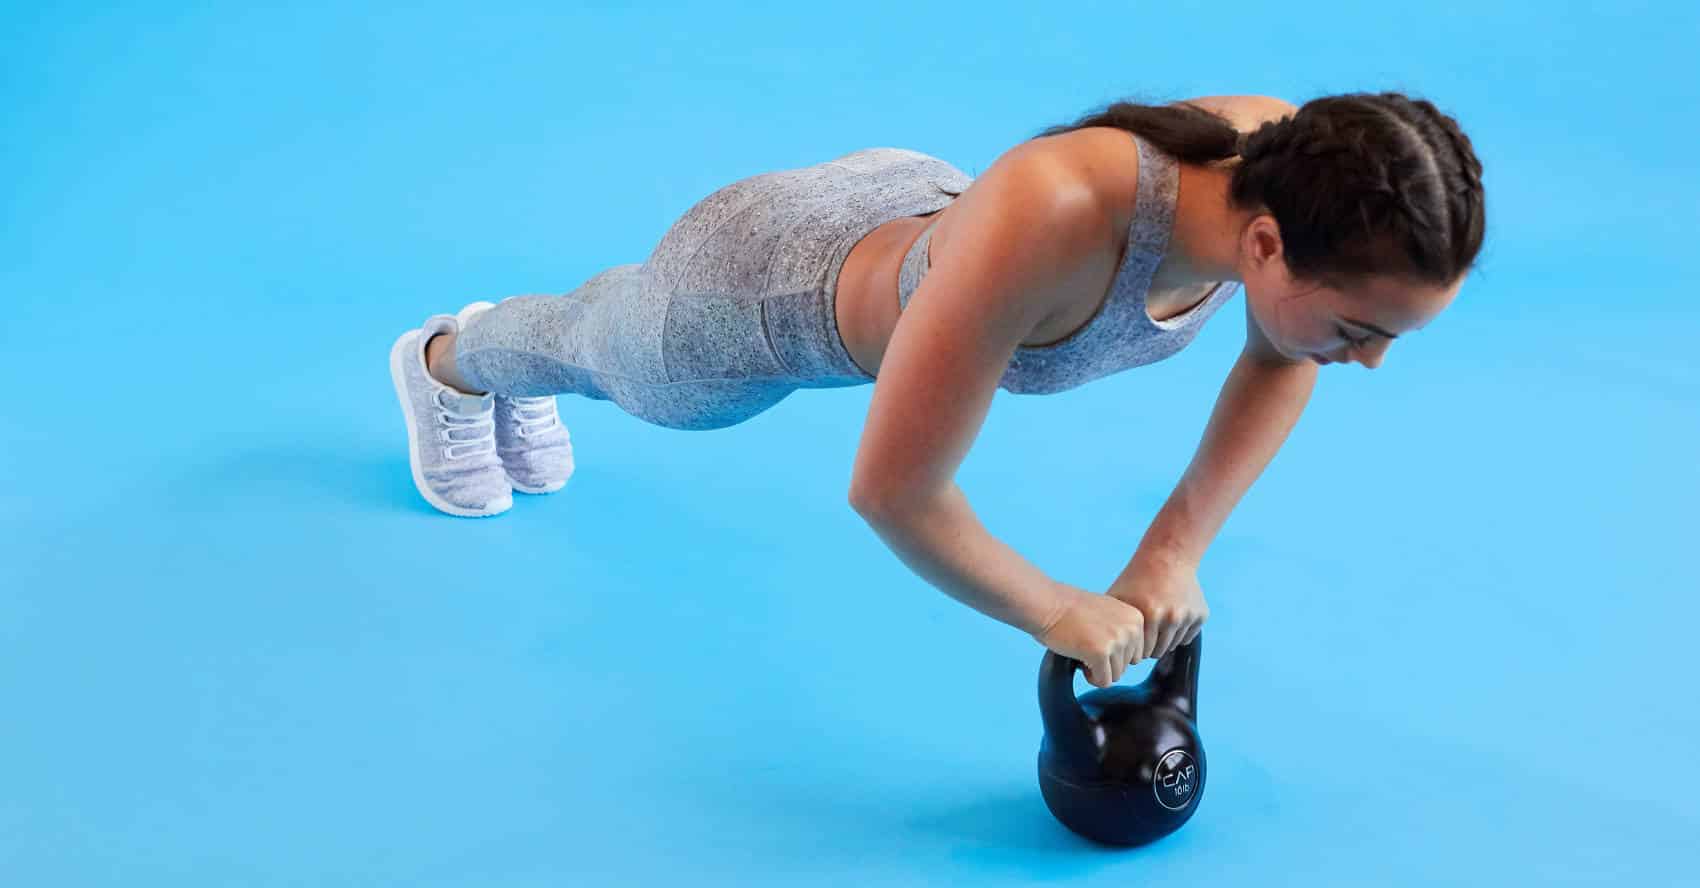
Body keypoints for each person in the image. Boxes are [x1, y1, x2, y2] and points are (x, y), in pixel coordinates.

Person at [388, 91, 1485, 689]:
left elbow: (1281, 355)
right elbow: (893, 493)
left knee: (609, 343)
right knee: (606, 357)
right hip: (757, 296)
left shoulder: (1284, 164)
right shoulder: (1065, 218)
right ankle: (453, 357)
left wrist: (1170, 550)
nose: (1368, 360)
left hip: (922, 217)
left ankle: (505, 356)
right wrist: (1052, 608)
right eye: (1360, 329)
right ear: (1261, 245)